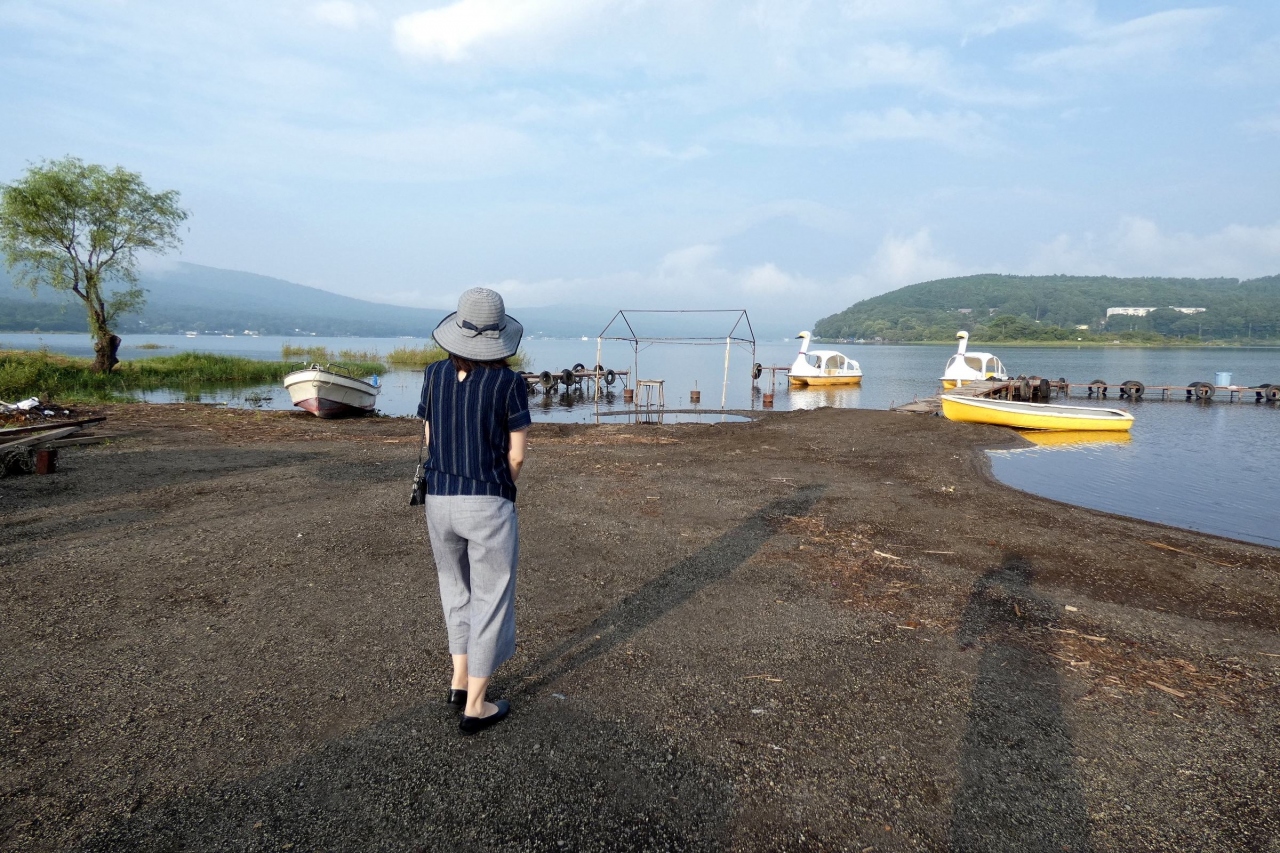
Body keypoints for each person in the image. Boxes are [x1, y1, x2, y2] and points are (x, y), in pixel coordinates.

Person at [417, 287, 530, 735]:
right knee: (491, 597)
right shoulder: (508, 384)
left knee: (454, 591)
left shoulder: (432, 375)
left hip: (438, 499)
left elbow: (429, 438)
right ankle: (477, 706)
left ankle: (459, 680)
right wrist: (497, 487)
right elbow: (516, 456)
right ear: (500, 336)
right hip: (487, 501)